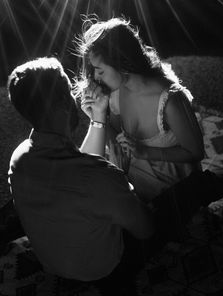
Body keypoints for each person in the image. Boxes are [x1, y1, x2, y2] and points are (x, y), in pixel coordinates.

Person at [7, 56, 155, 295]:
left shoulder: (19, 158)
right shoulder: (102, 177)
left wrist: (98, 119)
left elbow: (79, 169)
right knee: (169, 205)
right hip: (102, 268)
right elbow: (145, 229)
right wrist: (129, 192)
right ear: (64, 103)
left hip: (52, 263)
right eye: (69, 91)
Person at [74, 16, 204, 202]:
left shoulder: (171, 100)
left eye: (100, 70)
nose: (95, 76)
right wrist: (98, 117)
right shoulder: (117, 92)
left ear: (121, 62)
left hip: (176, 192)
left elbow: (196, 152)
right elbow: (118, 142)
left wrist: (145, 152)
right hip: (136, 184)